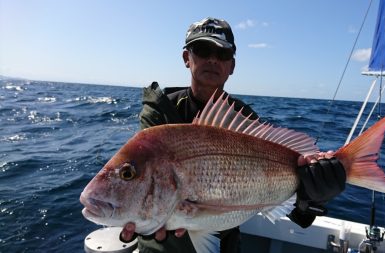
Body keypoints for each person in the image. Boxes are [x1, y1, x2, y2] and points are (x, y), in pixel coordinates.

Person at [120, 17, 346, 253]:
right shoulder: (160, 110)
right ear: (187, 58)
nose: (212, 59)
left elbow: (300, 217)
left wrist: (314, 195)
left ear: (232, 66)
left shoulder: (245, 119)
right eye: (203, 49)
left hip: (224, 243)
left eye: (223, 54)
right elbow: (142, 180)